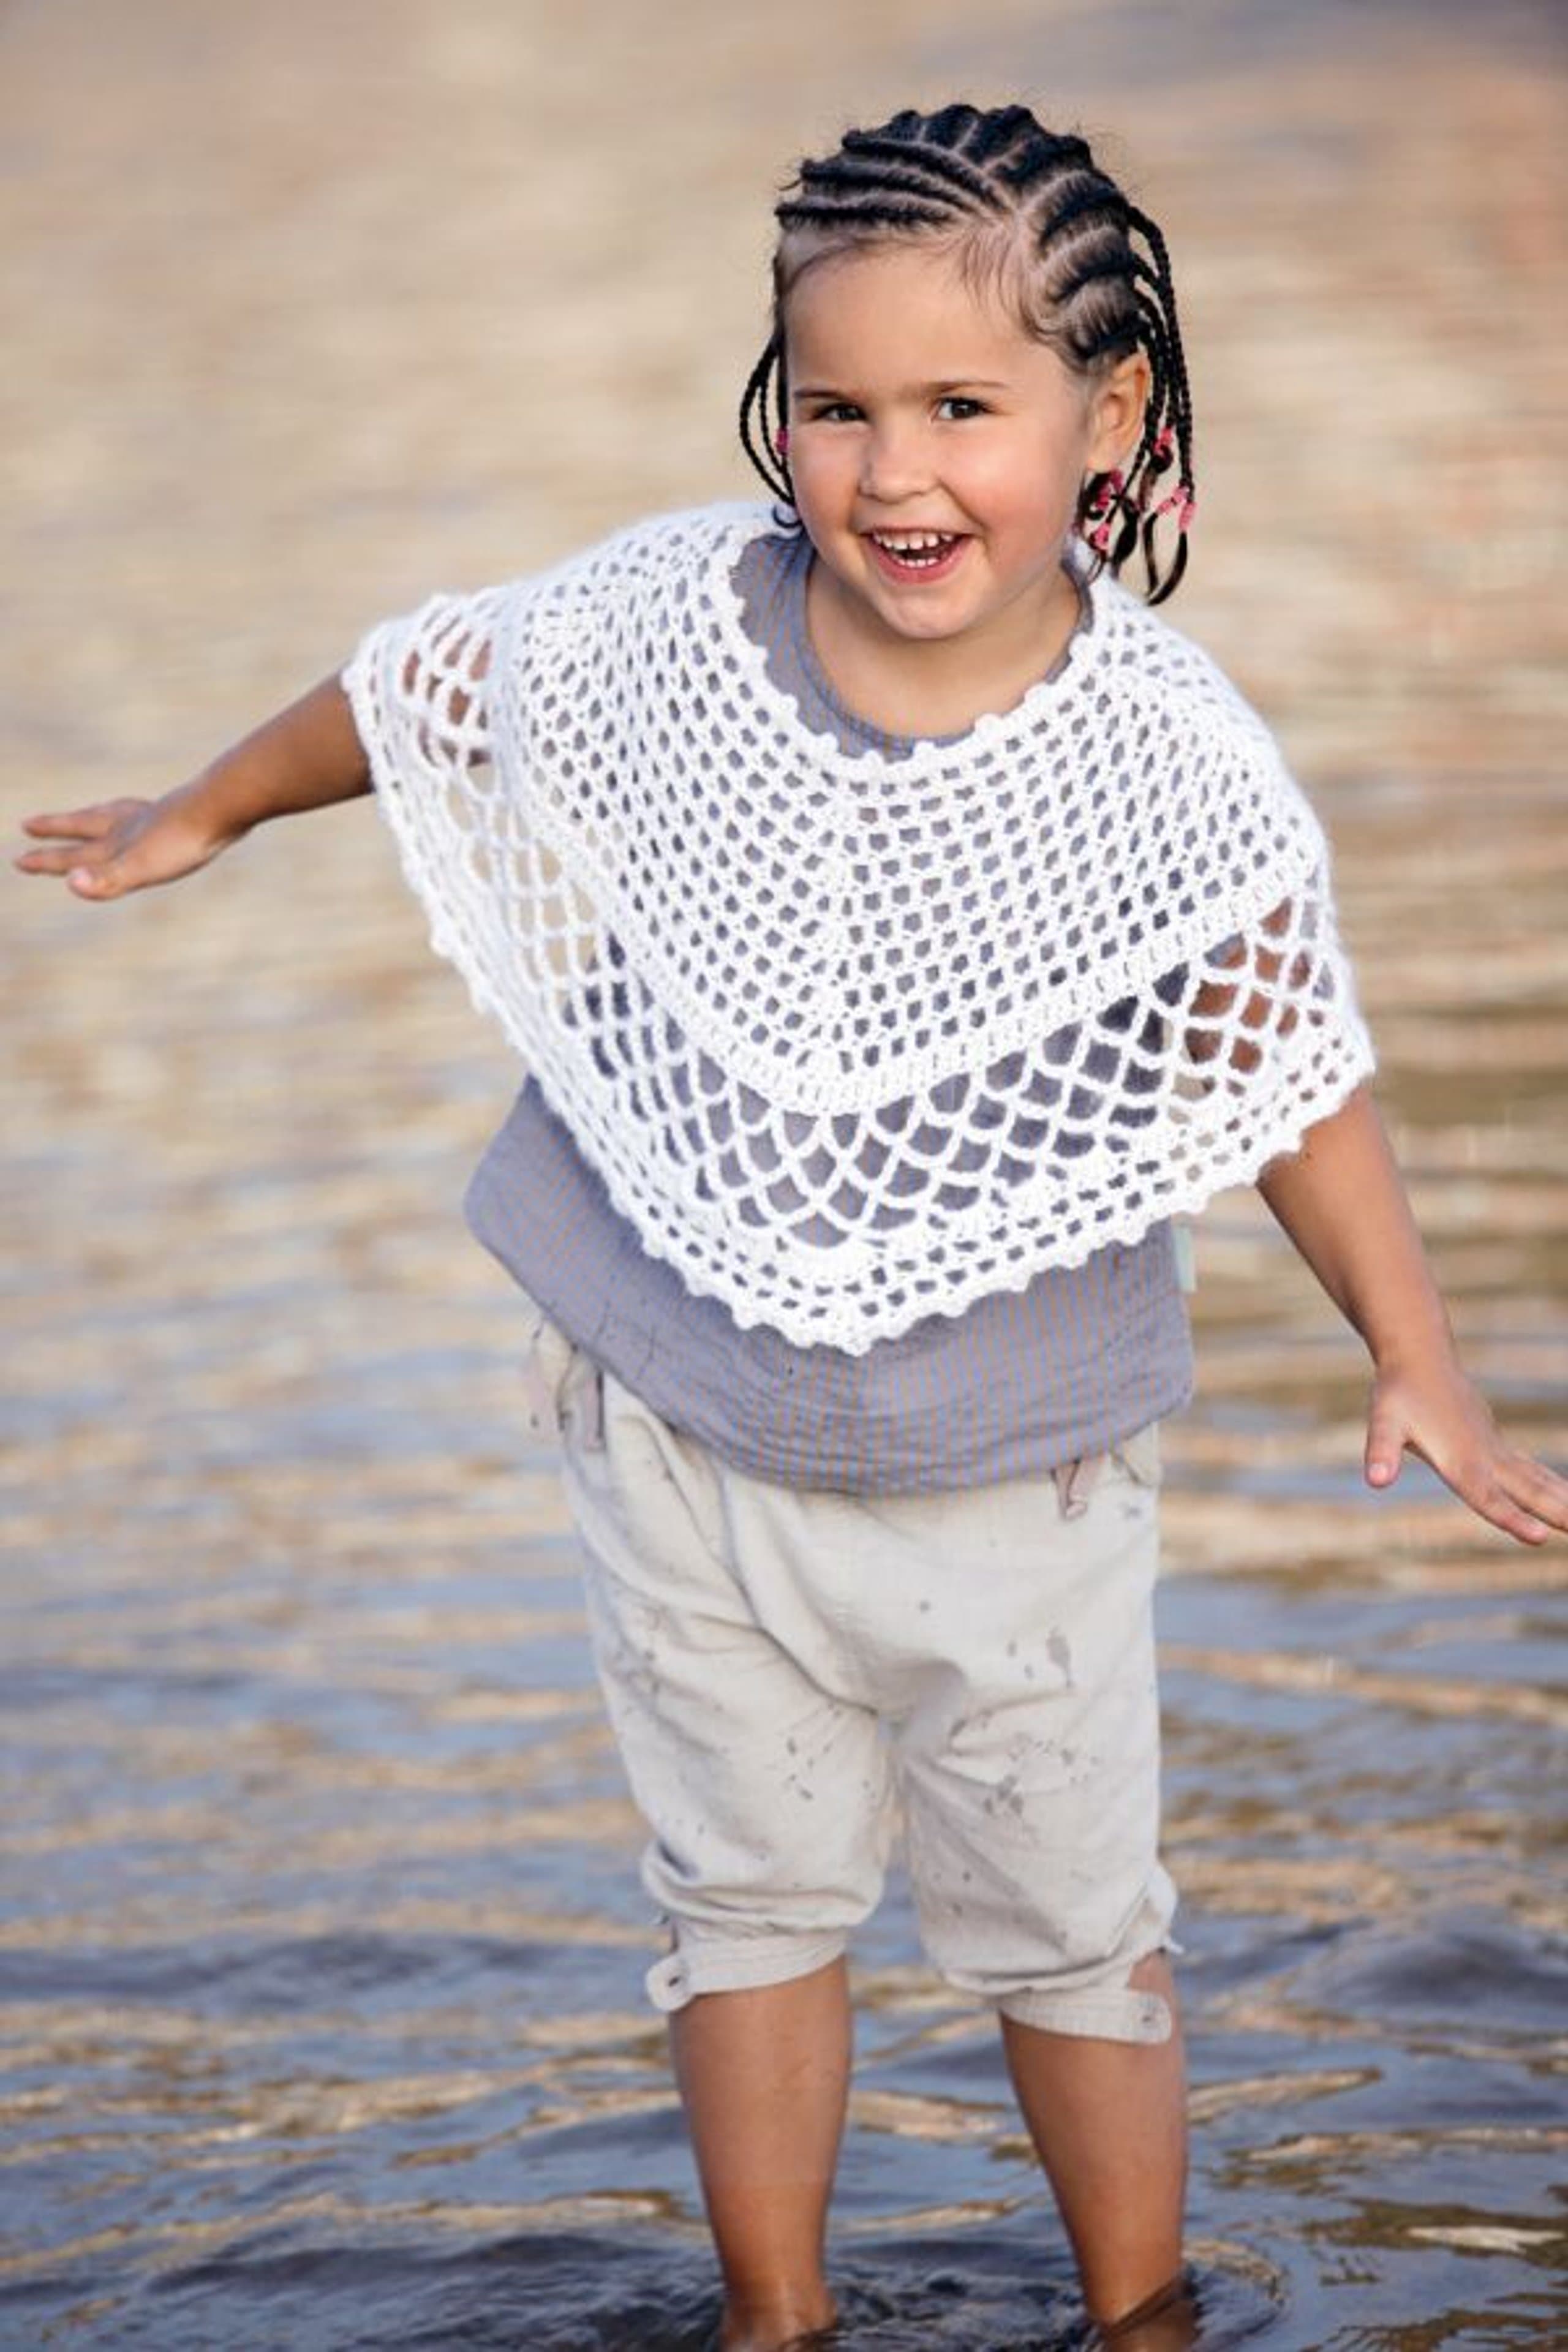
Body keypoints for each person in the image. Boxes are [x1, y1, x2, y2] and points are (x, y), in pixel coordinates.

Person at [17, 99, 1568, 2352]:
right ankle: (774, 2322)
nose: (895, 472)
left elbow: (1285, 1069)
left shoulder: (1166, 759)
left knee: (1075, 1935)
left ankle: (1142, 2318)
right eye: (837, 408)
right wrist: (209, 811)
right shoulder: (679, 623)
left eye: (962, 408)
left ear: (1107, 409)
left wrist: (1415, 1353)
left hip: (1019, 1476)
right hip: (681, 1426)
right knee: (739, 1908)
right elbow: (423, 685)